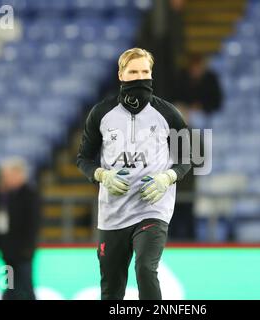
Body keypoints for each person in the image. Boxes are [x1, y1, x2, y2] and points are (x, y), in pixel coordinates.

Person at [76, 48, 192, 300]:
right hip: (112, 213)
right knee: (111, 287)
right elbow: (83, 159)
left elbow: (187, 159)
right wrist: (101, 175)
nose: (140, 77)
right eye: (133, 71)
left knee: (145, 268)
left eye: (145, 71)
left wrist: (167, 178)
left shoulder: (169, 113)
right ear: (121, 74)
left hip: (153, 207)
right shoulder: (100, 114)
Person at [0, 157, 41, 300]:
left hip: (23, 254)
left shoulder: (30, 194)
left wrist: (28, 248)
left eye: (7, 176)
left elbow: (33, 224)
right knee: (10, 286)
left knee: (26, 287)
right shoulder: (6, 195)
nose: (5, 179)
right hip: (8, 254)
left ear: (18, 174)